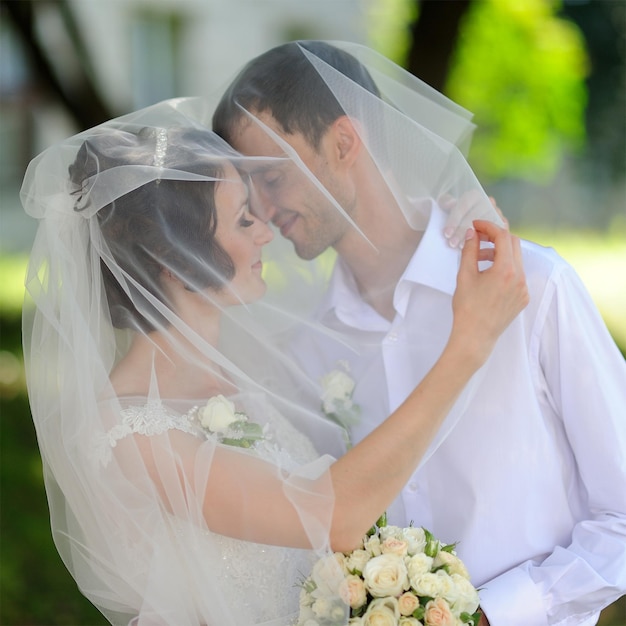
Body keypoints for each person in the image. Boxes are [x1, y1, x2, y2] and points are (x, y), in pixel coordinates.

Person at [21, 100, 526, 625]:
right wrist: (470, 341)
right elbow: (336, 515)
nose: (266, 231)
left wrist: (447, 226)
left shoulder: (256, 375)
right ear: (174, 258)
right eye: (243, 219)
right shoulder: (131, 433)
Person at [212, 41, 626, 626]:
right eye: (248, 191)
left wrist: (495, 615)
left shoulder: (535, 286)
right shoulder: (302, 350)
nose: (262, 209)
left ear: (344, 143)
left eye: (273, 177)